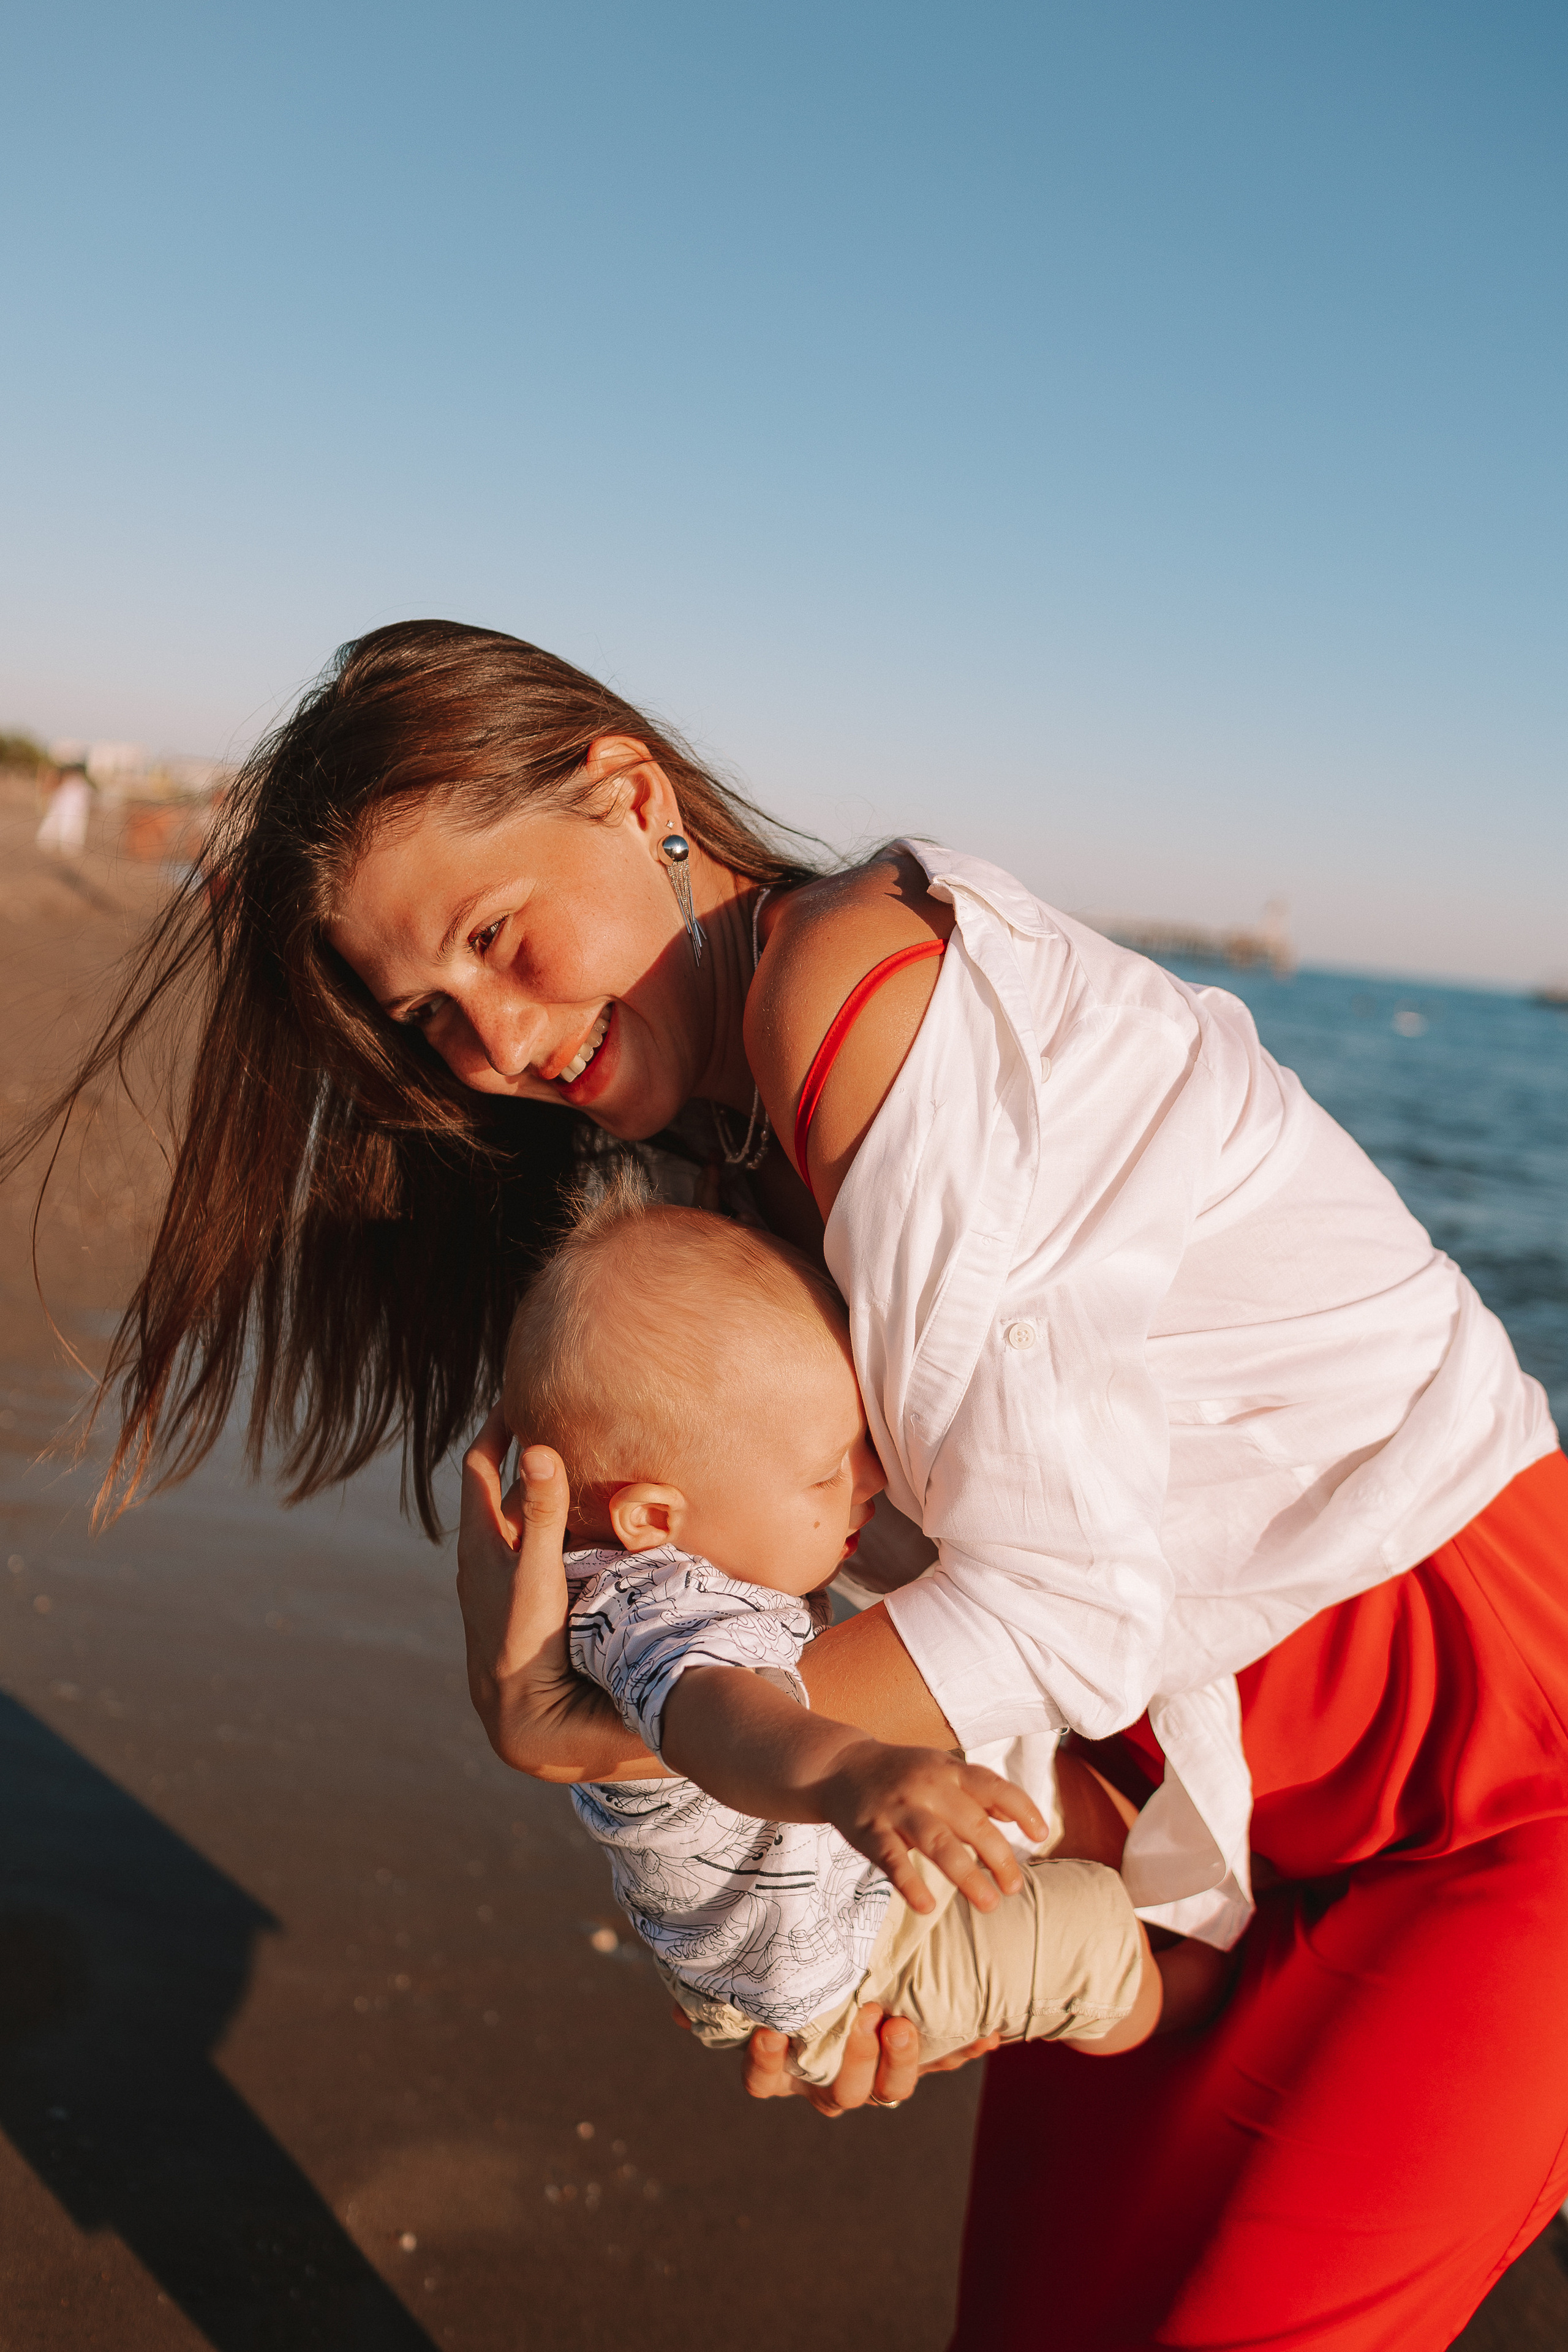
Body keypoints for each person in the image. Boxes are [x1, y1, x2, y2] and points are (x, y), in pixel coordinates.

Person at [13, 620, 1565, 2349]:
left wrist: (600, 1735)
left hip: (1507, 1781)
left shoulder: (857, 988)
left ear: (628, 789)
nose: (498, 1039)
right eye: (431, 1014)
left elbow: (1059, 1601)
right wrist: (886, 1928)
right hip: (1187, 1819)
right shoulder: (702, 1169)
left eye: (500, 939)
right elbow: (983, 1599)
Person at [502, 1170, 1214, 2086]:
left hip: (810, 1905)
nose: (871, 1483)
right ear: (654, 1518)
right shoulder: (654, 1611)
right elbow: (719, 1718)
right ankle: (1193, 2005)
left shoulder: (646, 1569)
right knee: (1099, 1936)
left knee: (1039, 1848)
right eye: (825, 1470)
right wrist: (849, 1768)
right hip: (833, 1974)